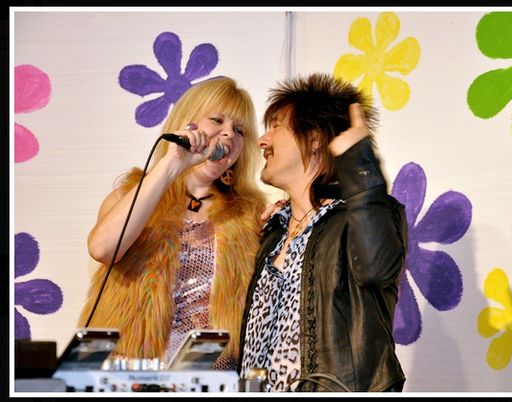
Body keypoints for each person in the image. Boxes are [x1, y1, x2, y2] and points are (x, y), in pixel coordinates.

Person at [78, 76, 267, 371]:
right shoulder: (132, 194)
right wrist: (172, 164)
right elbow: (102, 248)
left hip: (208, 375)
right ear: (188, 124)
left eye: (239, 130)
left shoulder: (249, 215)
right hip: (130, 373)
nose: (229, 134)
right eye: (217, 120)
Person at [238, 73, 408, 392]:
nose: (262, 140)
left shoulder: (362, 216)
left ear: (315, 138)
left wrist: (359, 161)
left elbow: (377, 269)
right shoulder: (274, 231)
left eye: (276, 126)